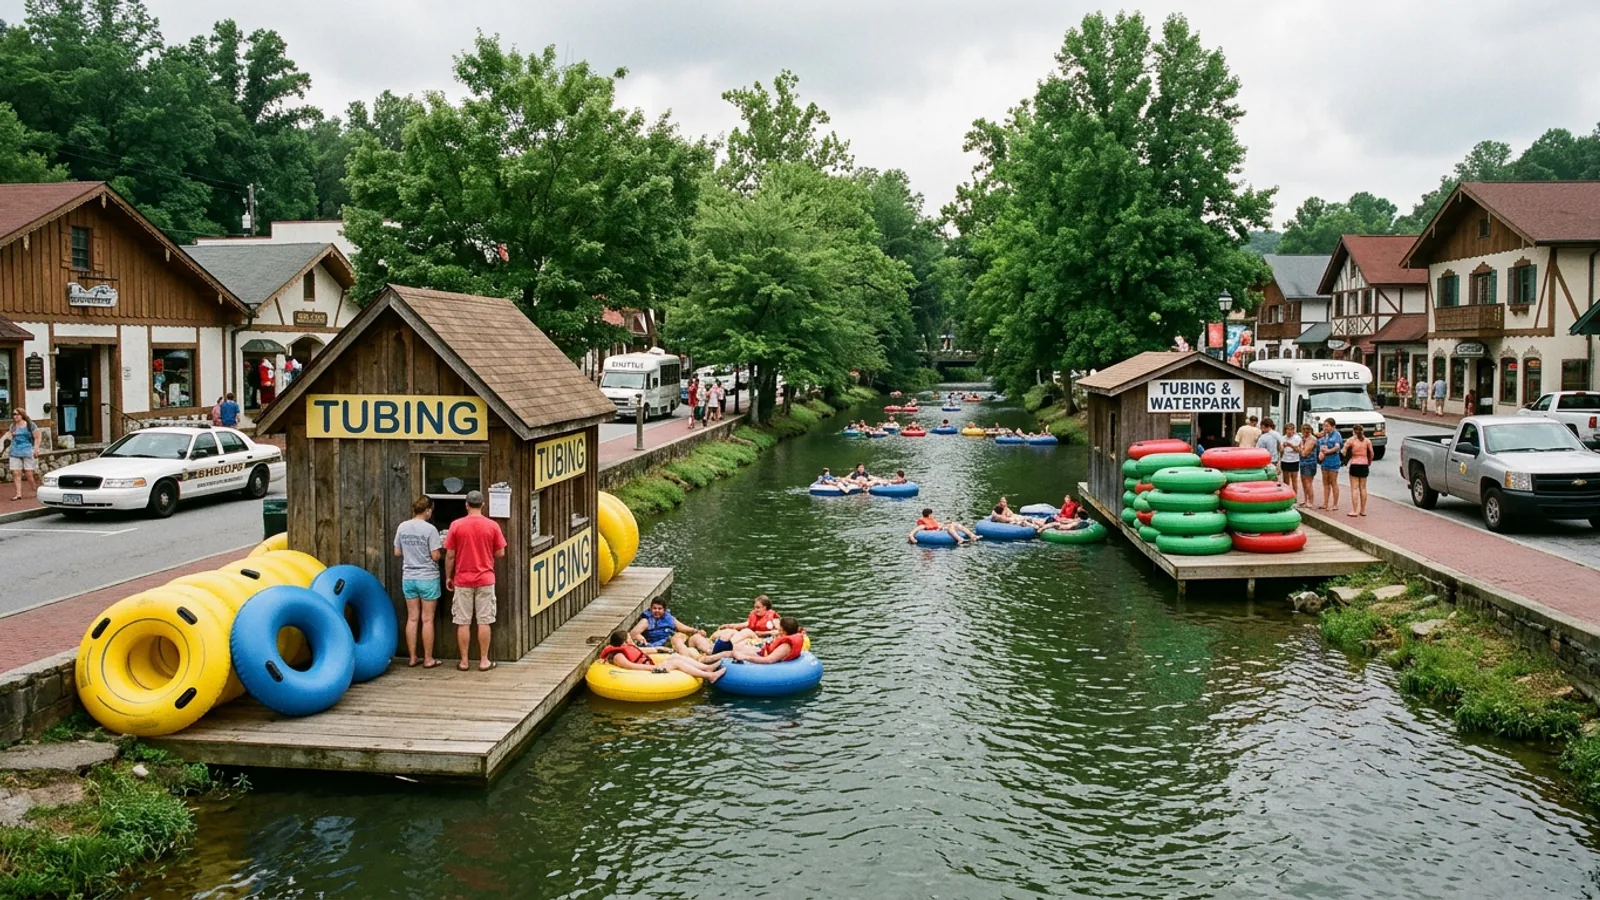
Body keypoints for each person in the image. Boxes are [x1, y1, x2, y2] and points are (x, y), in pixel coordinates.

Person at [444, 490, 507, 671]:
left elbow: (450, 555)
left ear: (466, 505)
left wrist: (449, 576)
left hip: (462, 579)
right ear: (483, 505)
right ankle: (484, 660)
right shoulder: (492, 525)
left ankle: (464, 661)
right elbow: (500, 552)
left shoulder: (456, 525)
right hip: (486, 578)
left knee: (463, 621)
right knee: (484, 620)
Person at [393, 496, 444, 668]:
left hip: (409, 577)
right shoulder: (430, 530)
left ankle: (413, 657)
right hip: (427, 576)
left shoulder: (402, 527)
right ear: (428, 510)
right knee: (427, 619)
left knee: (412, 618)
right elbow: (435, 556)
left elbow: (397, 552)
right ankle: (428, 659)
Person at [600, 631, 724, 682]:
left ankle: (706, 667)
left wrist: (660, 649)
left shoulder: (626, 649)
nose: (632, 641)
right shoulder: (619, 656)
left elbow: (642, 651)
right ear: (623, 643)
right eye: (630, 639)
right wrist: (654, 668)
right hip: (646, 674)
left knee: (676, 656)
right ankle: (709, 676)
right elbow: (631, 666)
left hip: (650, 668)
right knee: (676, 663)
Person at [629, 598, 711, 654]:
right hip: (659, 645)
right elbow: (633, 634)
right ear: (650, 609)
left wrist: (696, 631)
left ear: (664, 610)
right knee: (677, 640)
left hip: (671, 641)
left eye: (659, 608)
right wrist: (640, 637)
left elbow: (682, 627)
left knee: (696, 637)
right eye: (654, 608)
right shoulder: (645, 621)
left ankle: (709, 652)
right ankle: (691, 660)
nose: (657, 611)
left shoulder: (669, 618)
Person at [731, 617, 807, 664]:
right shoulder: (789, 636)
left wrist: (745, 657)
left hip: (762, 654)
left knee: (737, 648)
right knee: (741, 643)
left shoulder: (785, 646)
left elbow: (768, 660)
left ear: (783, 630)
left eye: (780, 628)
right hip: (763, 649)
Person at [4, 410, 38, 501]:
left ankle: (35, 489)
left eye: (16, 414)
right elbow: (9, 436)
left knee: (29, 473)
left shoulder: (30, 425)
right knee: (16, 473)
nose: (14, 416)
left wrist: (36, 448)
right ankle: (18, 494)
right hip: (15, 451)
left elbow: (37, 436)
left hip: (27, 450)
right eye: (13, 414)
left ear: (21, 415)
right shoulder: (13, 426)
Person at [1344, 423, 1374, 517]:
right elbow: (1371, 453)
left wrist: (1345, 460)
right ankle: (1363, 510)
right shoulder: (1367, 441)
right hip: (1364, 464)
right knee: (1363, 488)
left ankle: (1354, 510)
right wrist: (1368, 462)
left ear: (1353, 431)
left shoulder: (1351, 441)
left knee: (1354, 488)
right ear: (1362, 431)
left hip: (1355, 464)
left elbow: (1343, 451)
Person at [908, 507, 979, 544]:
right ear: (929, 515)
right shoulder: (923, 525)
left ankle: (972, 536)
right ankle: (959, 539)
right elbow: (913, 532)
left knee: (956, 524)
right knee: (950, 527)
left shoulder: (931, 520)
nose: (933, 515)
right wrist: (912, 538)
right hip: (935, 532)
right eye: (931, 514)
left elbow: (938, 524)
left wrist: (946, 522)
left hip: (939, 529)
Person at [1316, 418, 1344, 511]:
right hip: (1325, 461)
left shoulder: (1336, 435)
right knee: (1325, 482)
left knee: (1333, 482)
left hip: (1333, 461)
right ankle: (1325, 502)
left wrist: (1328, 451)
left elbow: (1337, 447)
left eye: (1327, 426)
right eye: (1324, 426)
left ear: (1333, 426)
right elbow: (1319, 442)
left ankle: (1335, 504)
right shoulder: (1324, 435)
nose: (1325, 428)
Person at [1296, 424, 1318, 507]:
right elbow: (1298, 449)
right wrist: (1301, 448)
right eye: (1303, 430)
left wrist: (1300, 448)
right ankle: (1305, 499)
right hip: (1303, 462)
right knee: (1303, 482)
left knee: (1308, 482)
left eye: (1306, 430)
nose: (1304, 432)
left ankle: (1310, 501)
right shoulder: (1302, 438)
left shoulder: (1312, 439)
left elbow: (1304, 453)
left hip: (1310, 463)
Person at [1279, 419, 1302, 499]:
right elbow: (1281, 450)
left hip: (1294, 460)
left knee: (1294, 479)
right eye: (1288, 429)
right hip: (1285, 460)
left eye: (1291, 429)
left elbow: (1299, 450)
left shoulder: (1297, 438)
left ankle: (1295, 496)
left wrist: (1291, 445)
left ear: (1293, 430)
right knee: (1286, 479)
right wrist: (1282, 448)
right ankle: (1287, 495)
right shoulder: (1282, 438)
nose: (1289, 431)